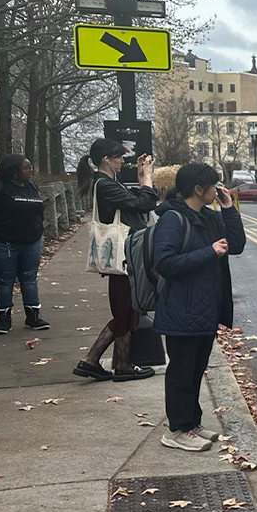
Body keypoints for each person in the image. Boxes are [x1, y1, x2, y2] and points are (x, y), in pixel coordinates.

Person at [152, 164, 246, 451]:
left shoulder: (209, 217)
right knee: (181, 372)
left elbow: (237, 245)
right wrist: (209, 252)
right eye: (214, 185)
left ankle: (191, 423)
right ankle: (177, 430)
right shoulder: (173, 219)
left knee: (195, 371)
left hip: (205, 309)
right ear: (198, 189)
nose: (217, 190)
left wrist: (229, 209)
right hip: (182, 308)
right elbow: (164, 263)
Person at [73, 139, 158, 382]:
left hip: (125, 257)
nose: (123, 161)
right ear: (105, 159)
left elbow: (141, 203)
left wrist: (143, 176)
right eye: (119, 157)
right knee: (123, 312)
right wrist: (148, 177)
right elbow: (146, 202)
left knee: (129, 310)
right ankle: (91, 359)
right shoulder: (105, 185)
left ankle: (122, 364)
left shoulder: (110, 183)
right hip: (121, 258)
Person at [0, 155, 49, 334]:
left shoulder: (31, 186)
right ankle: (4, 319)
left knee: (29, 279)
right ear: (14, 172)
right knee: (4, 281)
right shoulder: (0, 188)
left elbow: (39, 211)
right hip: (6, 243)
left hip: (31, 242)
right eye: (26, 168)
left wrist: (37, 229)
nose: (30, 170)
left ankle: (33, 317)